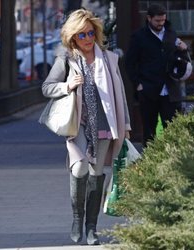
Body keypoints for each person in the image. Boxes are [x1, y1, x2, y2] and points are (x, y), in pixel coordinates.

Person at [41, 8, 131, 245]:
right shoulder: (67, 60)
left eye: (91, 33)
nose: (88, 39)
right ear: (72, 37)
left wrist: (127, 124)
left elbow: (120, 94)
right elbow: (47, 87)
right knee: (80, 167)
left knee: (97, 174)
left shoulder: (109, 59)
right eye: (82, 35)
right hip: (78, 126)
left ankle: (91, 227)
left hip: (104, 124)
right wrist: (67, 85)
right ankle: (76, 217)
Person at [125, 4, 188, 147]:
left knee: (173, 129)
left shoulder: (171, 34)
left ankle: (173, 160)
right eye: (157, 21)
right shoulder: (139, 37)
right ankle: (150, 162)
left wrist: (183, 50)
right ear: (149, 18)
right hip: (148, 89)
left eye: (163, 20)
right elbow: (129, 63)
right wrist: (138, 84)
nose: (161, 24)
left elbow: (179, 58)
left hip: (170, 89)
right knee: (149, 130)